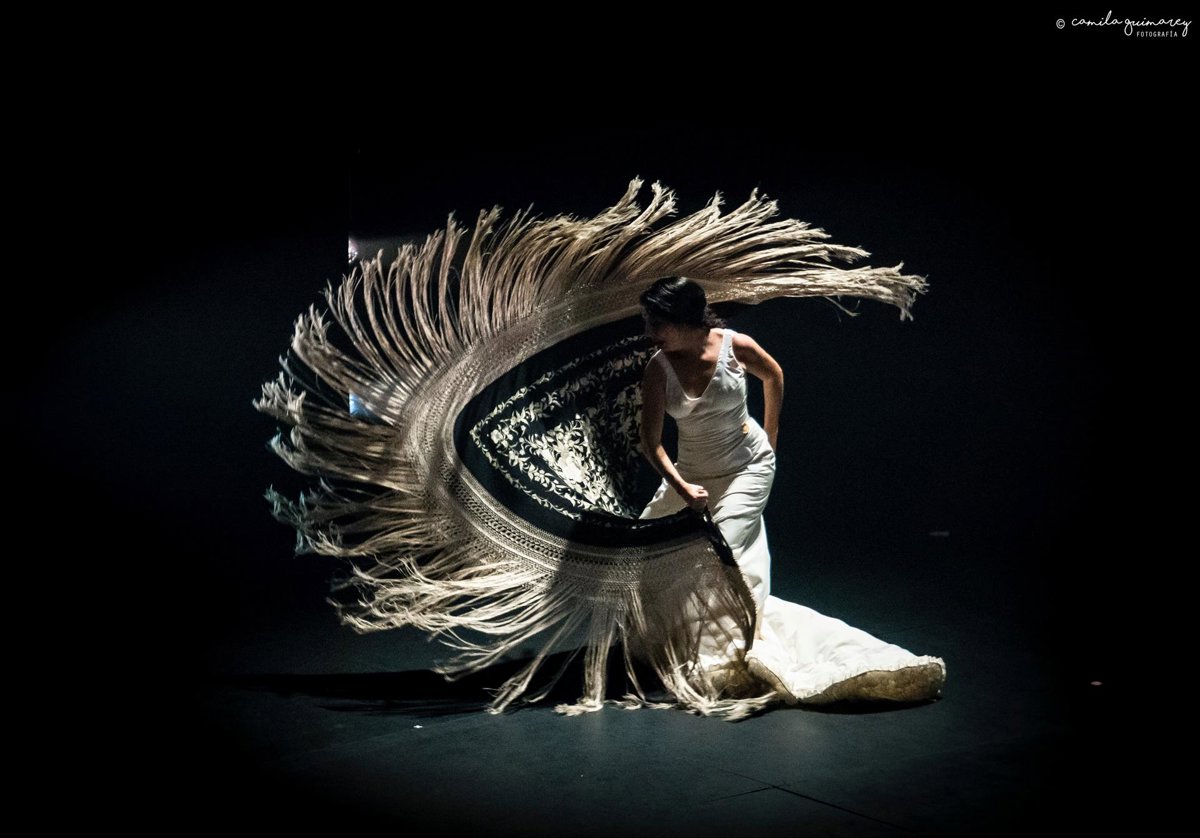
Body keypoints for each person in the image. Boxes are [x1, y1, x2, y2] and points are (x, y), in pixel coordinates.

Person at [637, 276, 946, 706]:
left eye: (656, 323)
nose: (649, 332)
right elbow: (650, 442)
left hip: (747, 469)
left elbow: (773, 375)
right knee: (645, 550)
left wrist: (770, 439)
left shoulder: (735, 346)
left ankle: (726, 652)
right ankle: (690, 637)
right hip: (692, 474)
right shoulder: (658, 368)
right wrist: (684, 487)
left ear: (684, 319)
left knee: (716, 551)